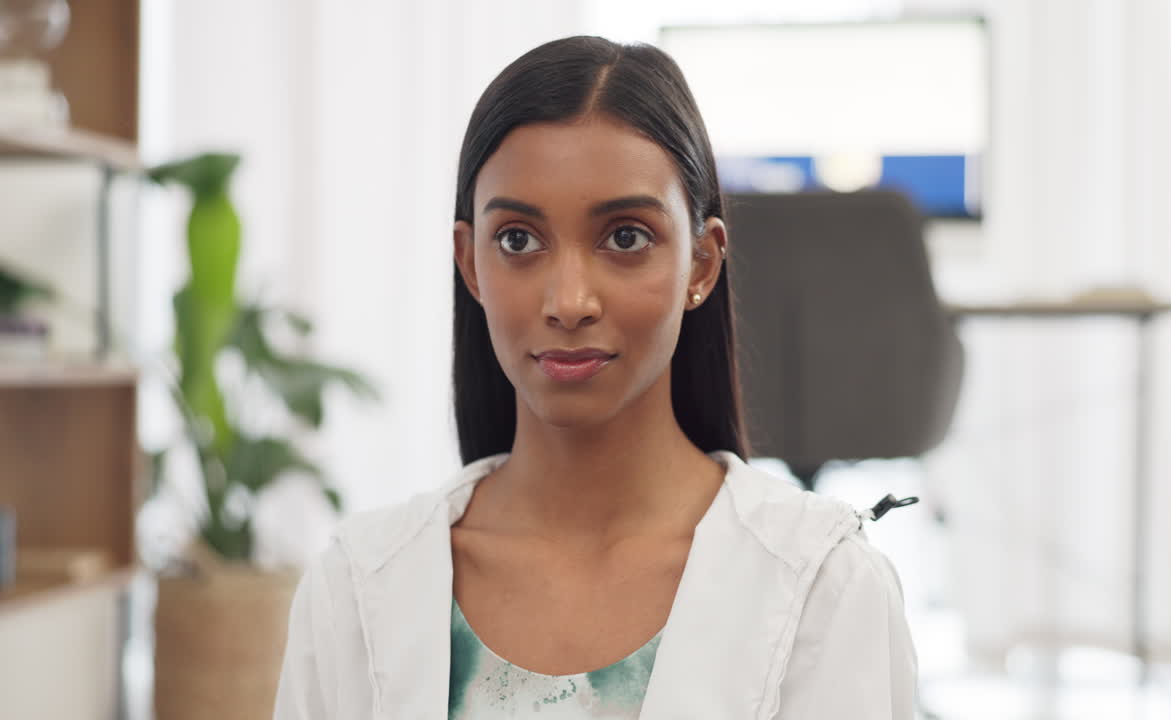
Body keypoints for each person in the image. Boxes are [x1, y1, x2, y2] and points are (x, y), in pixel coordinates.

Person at [274, 35, 916, 719]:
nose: (569, 301)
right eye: (519, 240)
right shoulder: (357, 587)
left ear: (700, 264)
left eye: (626, 237)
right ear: (470, 265)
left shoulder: (829, 589)